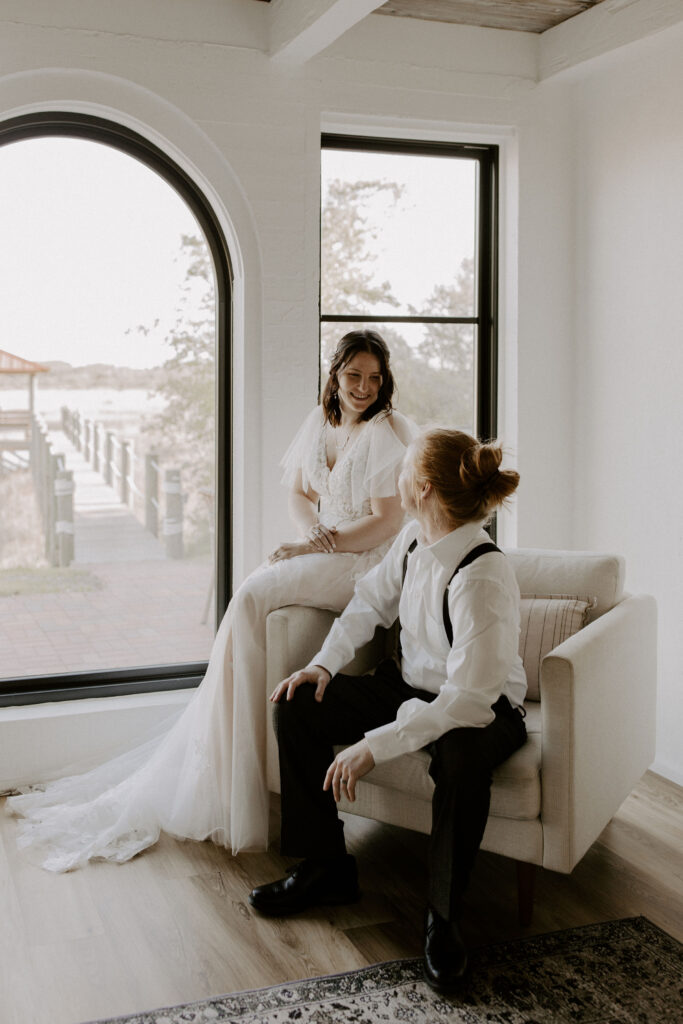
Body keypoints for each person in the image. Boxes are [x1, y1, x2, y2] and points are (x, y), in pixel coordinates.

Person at [8, 330, 415, 871]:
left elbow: (388, 521)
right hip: (329, 546)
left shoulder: (384, 434)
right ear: (334, 375)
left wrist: (321, 543)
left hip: (363, 563)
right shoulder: (321, 422)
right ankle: (221, 754)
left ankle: (236, 777)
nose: (364, 387)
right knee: (249, 597)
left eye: (373, 377)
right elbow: (296, 491)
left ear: (383, 380)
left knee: (250, 594)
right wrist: (315, 530)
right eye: (353, 376)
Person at [249, 427, 527, 992]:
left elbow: (467, 699)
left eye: (401, 472)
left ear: (422, 488)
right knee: (299, 704)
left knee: (459, 758)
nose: (393, 479)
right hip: (408, 686)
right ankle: (325, 867)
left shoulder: (482, 574)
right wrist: (323, 665)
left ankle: (443, 920)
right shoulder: (412, 539)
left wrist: (375, 746)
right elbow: (369, 603)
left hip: (483, 707)